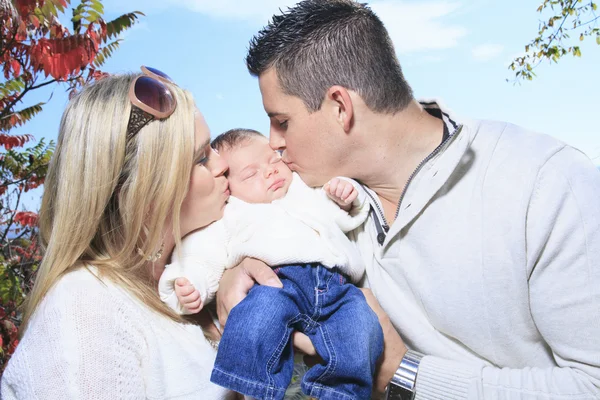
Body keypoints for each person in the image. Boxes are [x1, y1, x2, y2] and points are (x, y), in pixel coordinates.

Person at [216, 1, 600, 399]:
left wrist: (404, 375)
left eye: (282, 122)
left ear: (339, 107)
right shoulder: (311, 197)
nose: (274, 143)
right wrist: (240, 267)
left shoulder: (545, 183)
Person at [0, 68, 237, 399]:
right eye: (201, 157)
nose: (223, 163)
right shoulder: (84, 314)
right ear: (146, 193)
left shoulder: (187, 282)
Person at [158, 128, 383, 400]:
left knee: (362, 328)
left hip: (337, 288)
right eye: (251, 173)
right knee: (255, 320)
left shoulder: (303, 190)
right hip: (276, 285)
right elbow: (200, 253)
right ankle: (249, 386)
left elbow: (339, 213)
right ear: (229, 189)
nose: (270, 171)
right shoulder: (232, 214)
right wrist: (191, 283)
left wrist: (347, 197)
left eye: (274, 159)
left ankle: (341, 392)